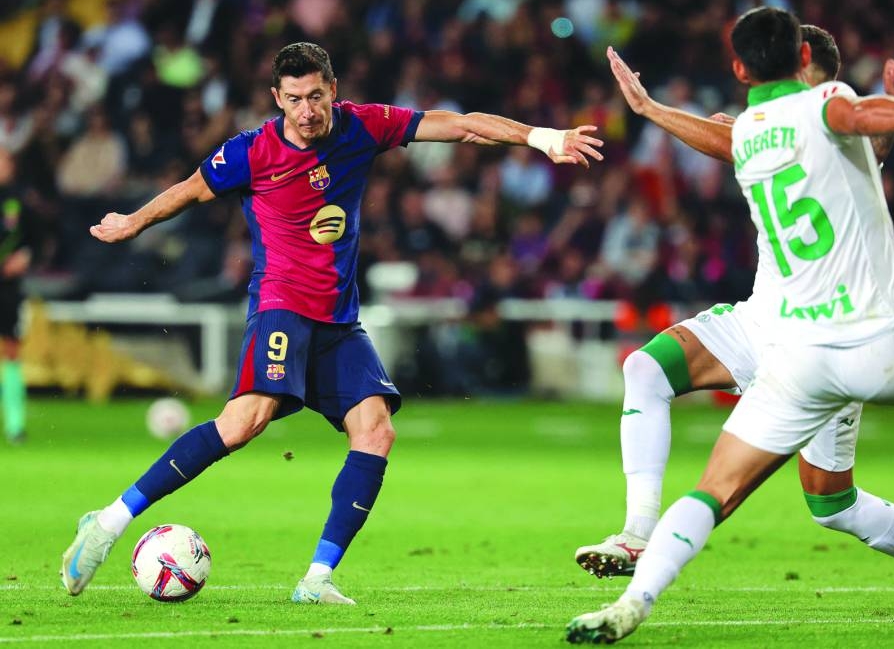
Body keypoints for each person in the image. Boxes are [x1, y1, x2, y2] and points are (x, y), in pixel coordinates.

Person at [60, 41, 604, 604]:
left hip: (339, 321)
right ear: (278, 99)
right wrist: (133, 221)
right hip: (282, 306)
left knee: (376, 430)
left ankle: (316, 579)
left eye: (316, 95)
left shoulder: (363, 127)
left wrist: (545, 138)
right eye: (294, 99)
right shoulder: (251, 151)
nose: (307, 110)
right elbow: (190, 191)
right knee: (246, 420)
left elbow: (461, 127)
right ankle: (106, 525)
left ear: (333, 90)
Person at [566, 7, 894, 644]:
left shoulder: (760, 129)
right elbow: (853, 121)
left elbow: (851, 133)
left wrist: (649, 109)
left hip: (806, 349)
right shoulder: (815, 109)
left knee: (808, 499)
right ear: (801, 64)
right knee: (648, 369)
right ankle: (636, 540)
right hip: (816, 334)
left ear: (740, 68)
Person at [0, 149, 40, 444]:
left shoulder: (21, 201)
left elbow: (38, 238)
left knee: (11, 350)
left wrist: (26, 255)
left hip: (8, 287)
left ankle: (15, 425)